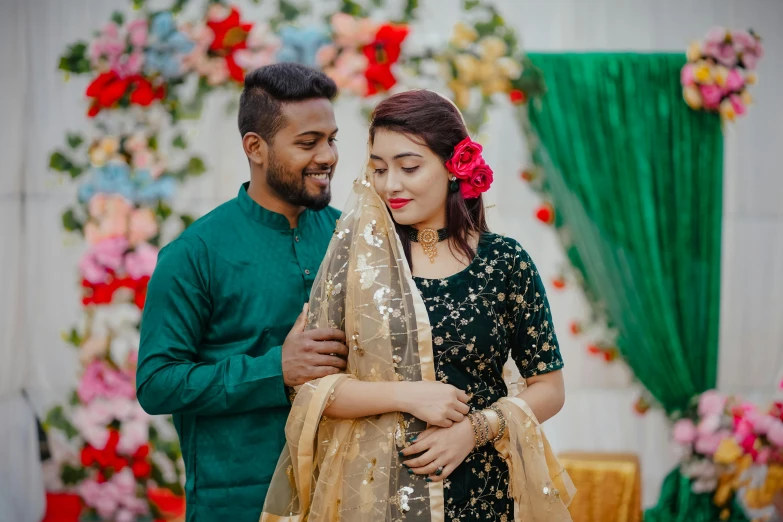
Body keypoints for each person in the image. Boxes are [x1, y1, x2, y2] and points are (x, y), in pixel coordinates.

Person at [262, 89, 575, 521]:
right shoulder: (357, 262)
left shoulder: (506, 262)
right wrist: (408, 395)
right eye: (379, 168)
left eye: (409, 167)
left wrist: (474, 430)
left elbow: (549, 389)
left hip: (482, 493)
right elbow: (312, 390)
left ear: (453, 167)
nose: (391, 184)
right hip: (373, 500)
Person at [136, 63, 348, 522]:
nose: (328, 156)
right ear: (255, 147)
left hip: (342, 493)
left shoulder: (347, 235)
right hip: (237, 499)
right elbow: (156, 384)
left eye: (331, 139)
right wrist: (277, 369)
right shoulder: (196, 253)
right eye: (307, 143)